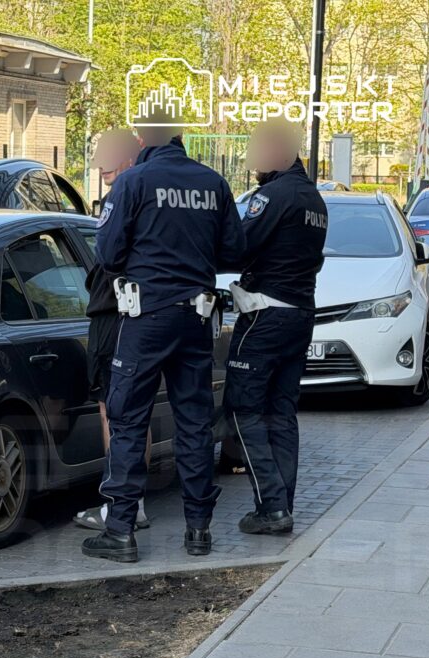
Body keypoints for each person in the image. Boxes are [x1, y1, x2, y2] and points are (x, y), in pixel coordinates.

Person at [81, 117, 245, 563]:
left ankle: (120, 532)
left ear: (142, 141)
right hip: (196, 317)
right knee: (194, 421)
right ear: (181, 138)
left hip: (145, 317)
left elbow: (109, 254)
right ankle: (198, 530)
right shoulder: (214, 183)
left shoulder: (134, 181)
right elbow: (234, 252)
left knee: (128, 418)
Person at [223, 116, 327, 535]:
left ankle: (271, 506)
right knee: (282, 413)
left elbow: (239, 247)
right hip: (300, 316)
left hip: (264, 317)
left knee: (244, 410)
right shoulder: (314, 199)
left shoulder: (273, 195)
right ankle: (283, 503)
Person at [74, 129, 151, 533]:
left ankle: (124, 505)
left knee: (115, 413)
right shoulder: (147, 193)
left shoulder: (125, 194)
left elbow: (110, 256)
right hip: (136, 314)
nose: (99, 161)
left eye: (108, 153)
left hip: (113, 315)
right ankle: (133, 502)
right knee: (133, 414)